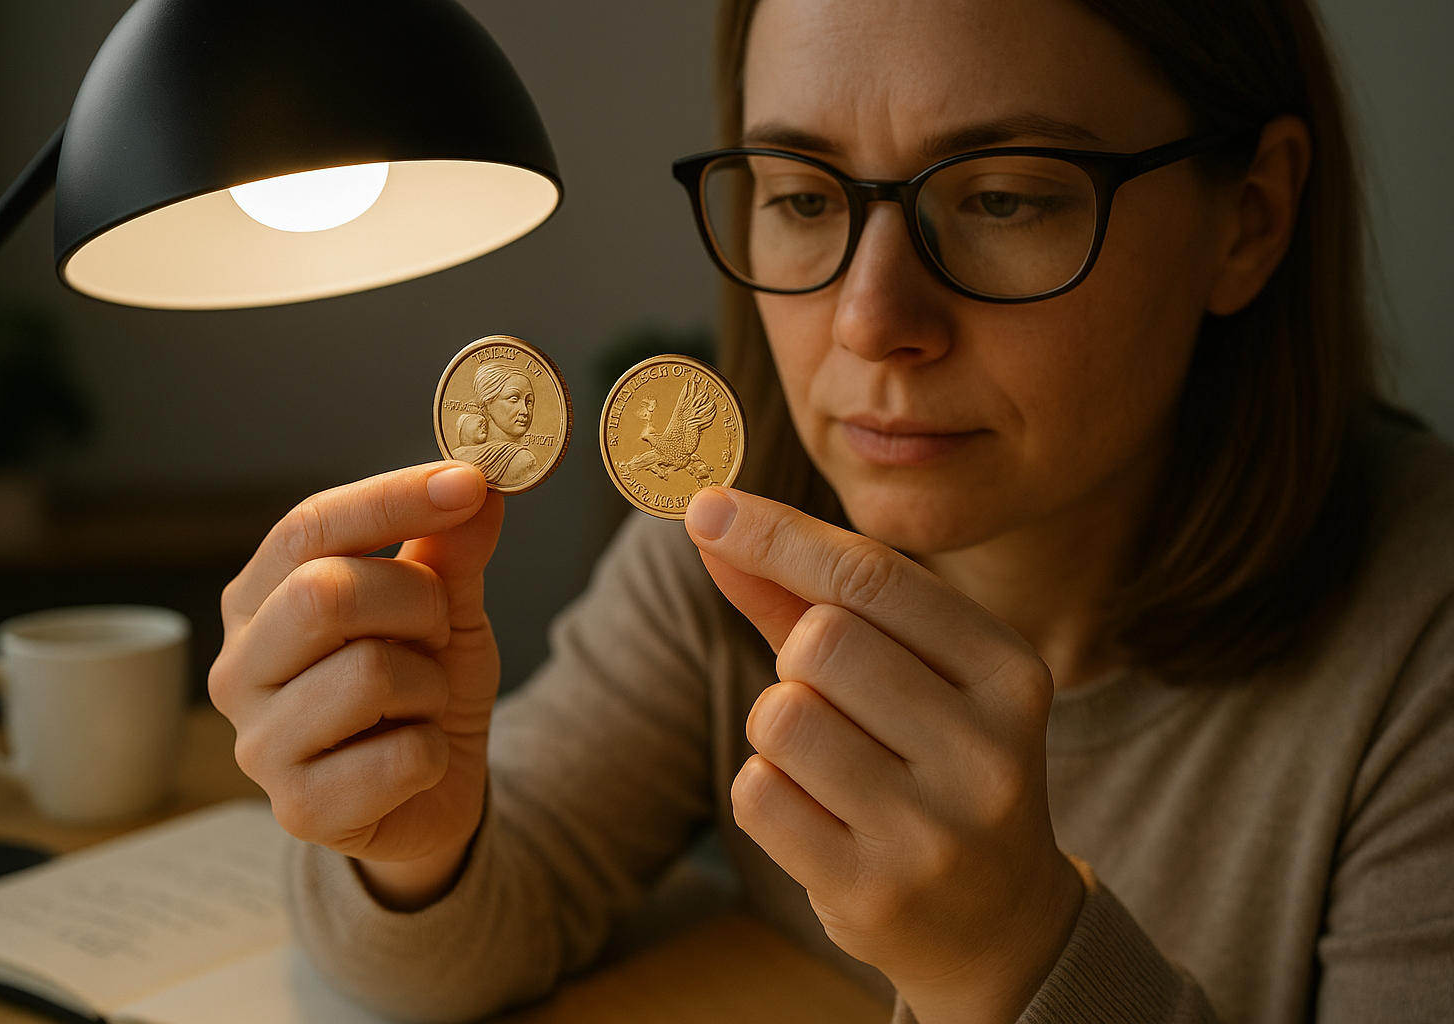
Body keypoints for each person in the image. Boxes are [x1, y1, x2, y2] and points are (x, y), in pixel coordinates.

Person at [207, 0, 1454, 1021]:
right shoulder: (723, 548)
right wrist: (413, 838)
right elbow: (451, 944)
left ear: (1251, 218)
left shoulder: (1419, 653)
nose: (869, 321)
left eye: (1004, 197)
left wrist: (1015, 959)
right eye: (803, 197)